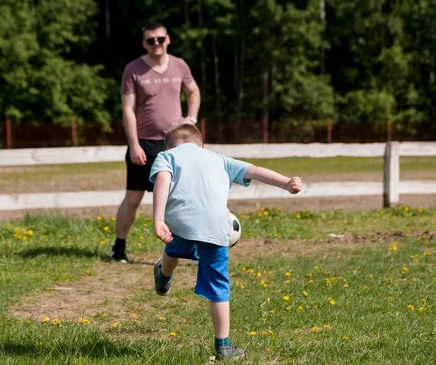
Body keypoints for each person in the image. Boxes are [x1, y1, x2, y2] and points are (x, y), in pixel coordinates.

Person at [149, 123, 302, 360]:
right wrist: (286, 182)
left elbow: (162, 181)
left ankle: (164, 277)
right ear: (201, 145)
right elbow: (255, 170)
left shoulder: (166, 156)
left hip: (179, 222)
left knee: (174, 248)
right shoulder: (218, 159)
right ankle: (224, 346)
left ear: (169, 145)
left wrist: (159, 219)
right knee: (219, 286)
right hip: (215, 226)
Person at [110, 21, 201, 263]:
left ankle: (190, 248)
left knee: (184, 196)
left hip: (176, 144)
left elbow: (193, 91)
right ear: (144, 43)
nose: (156, 44)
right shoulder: (133, 69)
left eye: (160, 39)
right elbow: (128, 109)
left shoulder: (180, 65)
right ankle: (118, 248)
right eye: (151, 40)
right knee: (133, 197)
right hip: (144, 144)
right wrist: (134, 144)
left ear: (168, 39)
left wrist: (190, 119)